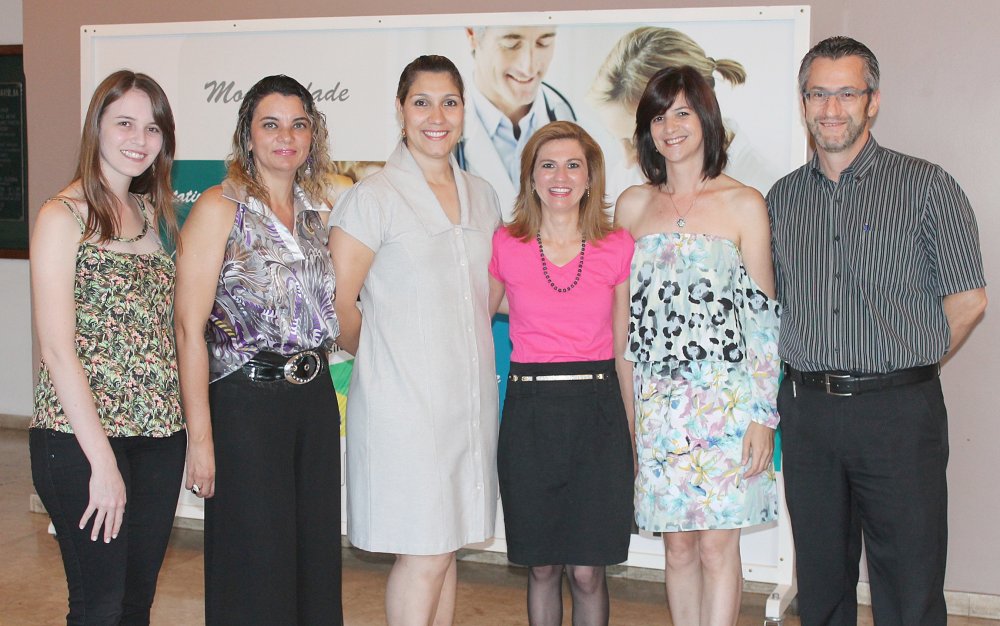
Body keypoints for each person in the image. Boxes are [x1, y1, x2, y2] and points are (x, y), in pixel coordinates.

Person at [767, 36, 987, 626]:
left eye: (847, 93)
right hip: (808, 413)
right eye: (818, 94)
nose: (831, 109)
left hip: (899, 413)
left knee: (910, 581)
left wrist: (909, 362)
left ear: (874, 100)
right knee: (821, 581)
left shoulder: (927, 186)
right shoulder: (781, 199)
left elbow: (969, 300)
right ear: (803, 102)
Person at [329, 55, 501, 626]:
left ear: (464, 112)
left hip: (467, 403)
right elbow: (339, 304)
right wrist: (385, 354)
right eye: (422, 102)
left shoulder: (483, 196)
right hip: (403, 406)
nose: (437, 116)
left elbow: (486, 295)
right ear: (400, 111)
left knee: (446, 548)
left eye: (449, 102)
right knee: (423, 551)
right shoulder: (372, 196)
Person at [174, 74, 343, 625]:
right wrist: (201, 439)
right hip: (245, 405)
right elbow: (187, 328)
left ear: (313, 135)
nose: (285, 137)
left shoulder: (320, 211)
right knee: (254, 565)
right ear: (248, 135)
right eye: (271, 124)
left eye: (299, 125)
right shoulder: (220, 207)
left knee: (315, 559)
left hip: (314, 401)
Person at [615, 66, 781, 625]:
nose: (671, 127)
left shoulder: (743, 203)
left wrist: (762, 416)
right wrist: (631, 416)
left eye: (683, 112)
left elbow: (763, 321)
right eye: (659, 117)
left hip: (727, 404)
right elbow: (624, 325)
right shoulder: (633, 206)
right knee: (678, 548)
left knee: (716, 548)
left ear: (706, 118)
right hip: (658, 405)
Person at [29, 70, 185, 625]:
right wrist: (102, 462)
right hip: (81, 441)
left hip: (159, 437)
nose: (139, 139)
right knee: (99, 606)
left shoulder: (154, 215)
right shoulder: (61, 216)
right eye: (125, 123)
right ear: (96, 127)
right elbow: (56, 349)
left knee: (135, 605)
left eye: (152, 127)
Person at [487, 120, 634, 625]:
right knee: (543, 566)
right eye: (547, 165)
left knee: (588, 572)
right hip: (529, 414)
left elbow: (622, 348)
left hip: (598, 413)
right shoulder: (505, 244)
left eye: (574, 165)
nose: (560, 176)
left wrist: (630, 430)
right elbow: (474, 319)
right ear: (530, 177)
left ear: (591, 177)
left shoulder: (617, 245)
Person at [590, 26, 781, 198]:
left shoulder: (764, 189)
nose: (627, 161)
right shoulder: (624, 181)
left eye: (636, 140)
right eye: (617, 139)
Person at [458, 26, 576, 216]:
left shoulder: (587, 129)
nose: (528, 67)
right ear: (472, 34)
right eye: (511, 44)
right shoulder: (437, 138)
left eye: (543, 43)